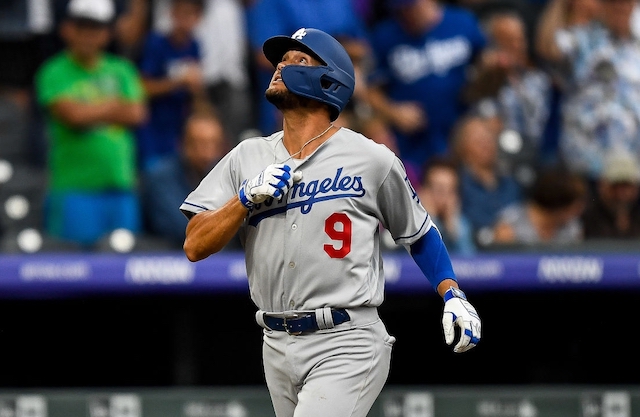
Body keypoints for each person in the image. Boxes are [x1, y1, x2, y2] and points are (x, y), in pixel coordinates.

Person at [180, 28, 481, 417]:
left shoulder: (371, 158)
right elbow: (194, 244)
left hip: (347, 339)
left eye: (297, 60)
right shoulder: (246, 156)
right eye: (280, 60)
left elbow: (419, 234)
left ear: (329, 79)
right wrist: (241, 201)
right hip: (275, 341)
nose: (280, 67)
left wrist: (452, 293)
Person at [34, 0, 147, 248]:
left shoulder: (122, 69)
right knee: (70, 268)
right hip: (74, 190)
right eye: (82, 27)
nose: (88, 35)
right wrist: (114, 105)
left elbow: (137, 114)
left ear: (107, 33)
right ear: (67, 29)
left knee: (124, 267)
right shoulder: (53, 71)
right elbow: (72, 116)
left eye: (96, 28)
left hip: (120, 188)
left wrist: (89, 110)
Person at [366, 0, 492, 178]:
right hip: (414, 139)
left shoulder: (462, 22)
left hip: (459, 124)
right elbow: (369, 89)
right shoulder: (385, 35)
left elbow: (485, 64)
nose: (407, 15)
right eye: (401, 11)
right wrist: (393, 111)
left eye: (411, 7)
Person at [141, 110, 232, 248]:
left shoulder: (227, 177)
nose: (206, 153)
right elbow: (178, 228)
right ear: (182, 143)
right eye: (199, 143)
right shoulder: (160, 177)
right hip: (170, 257)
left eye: (213, 144)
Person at [136, 0, 205, 172]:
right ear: (172, 14)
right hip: (153, 129)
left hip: (179, 129)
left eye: (191, 14)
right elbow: (142, 87)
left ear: (199, 18)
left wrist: (196, 89)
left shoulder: (195, 46)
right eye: (181, 13)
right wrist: (178, 82)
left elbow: (195, 93)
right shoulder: (156, 43)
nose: (185, 20)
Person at [451, 114, 523, 245]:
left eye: (489, 136)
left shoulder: (511, 182)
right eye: (477, 138)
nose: (485, 143)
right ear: (462, 145)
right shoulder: (456, 182)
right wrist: (493, 233)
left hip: (514, 249)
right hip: (473, 254)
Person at [492, 166, 587, 245]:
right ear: (559, 208)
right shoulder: (510, 224)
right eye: (575, 208)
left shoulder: (572, 228)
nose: (579, 212)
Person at [418, 156, 477, 256]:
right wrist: (430, 219)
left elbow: (470, 263)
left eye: (450, 191)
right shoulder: (408, 224)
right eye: (439, 190)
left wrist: (452, 226)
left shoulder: (461, 225)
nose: (444, 197)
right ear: (424, 191)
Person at [581, 150, 640, 239]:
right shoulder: (584, 218)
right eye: (614, 186)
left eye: (626, 186)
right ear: (601, 186)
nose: (620, 195)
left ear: (636, 188)